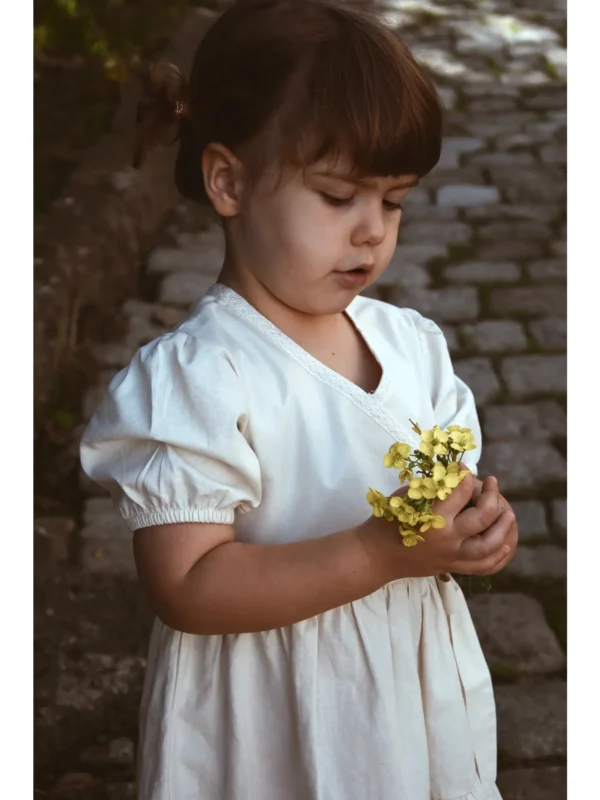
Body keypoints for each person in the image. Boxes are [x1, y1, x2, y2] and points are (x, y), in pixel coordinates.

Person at [81, 1, 518, 797]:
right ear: (229, 181)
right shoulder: (200, 377)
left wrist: (475, 531)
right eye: (337, 195)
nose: (370, 233)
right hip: (266, 718)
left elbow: (444, 495)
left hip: (401, 695)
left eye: (392, 202)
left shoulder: (412, 346)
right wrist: (374, 555)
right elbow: (186, 585)